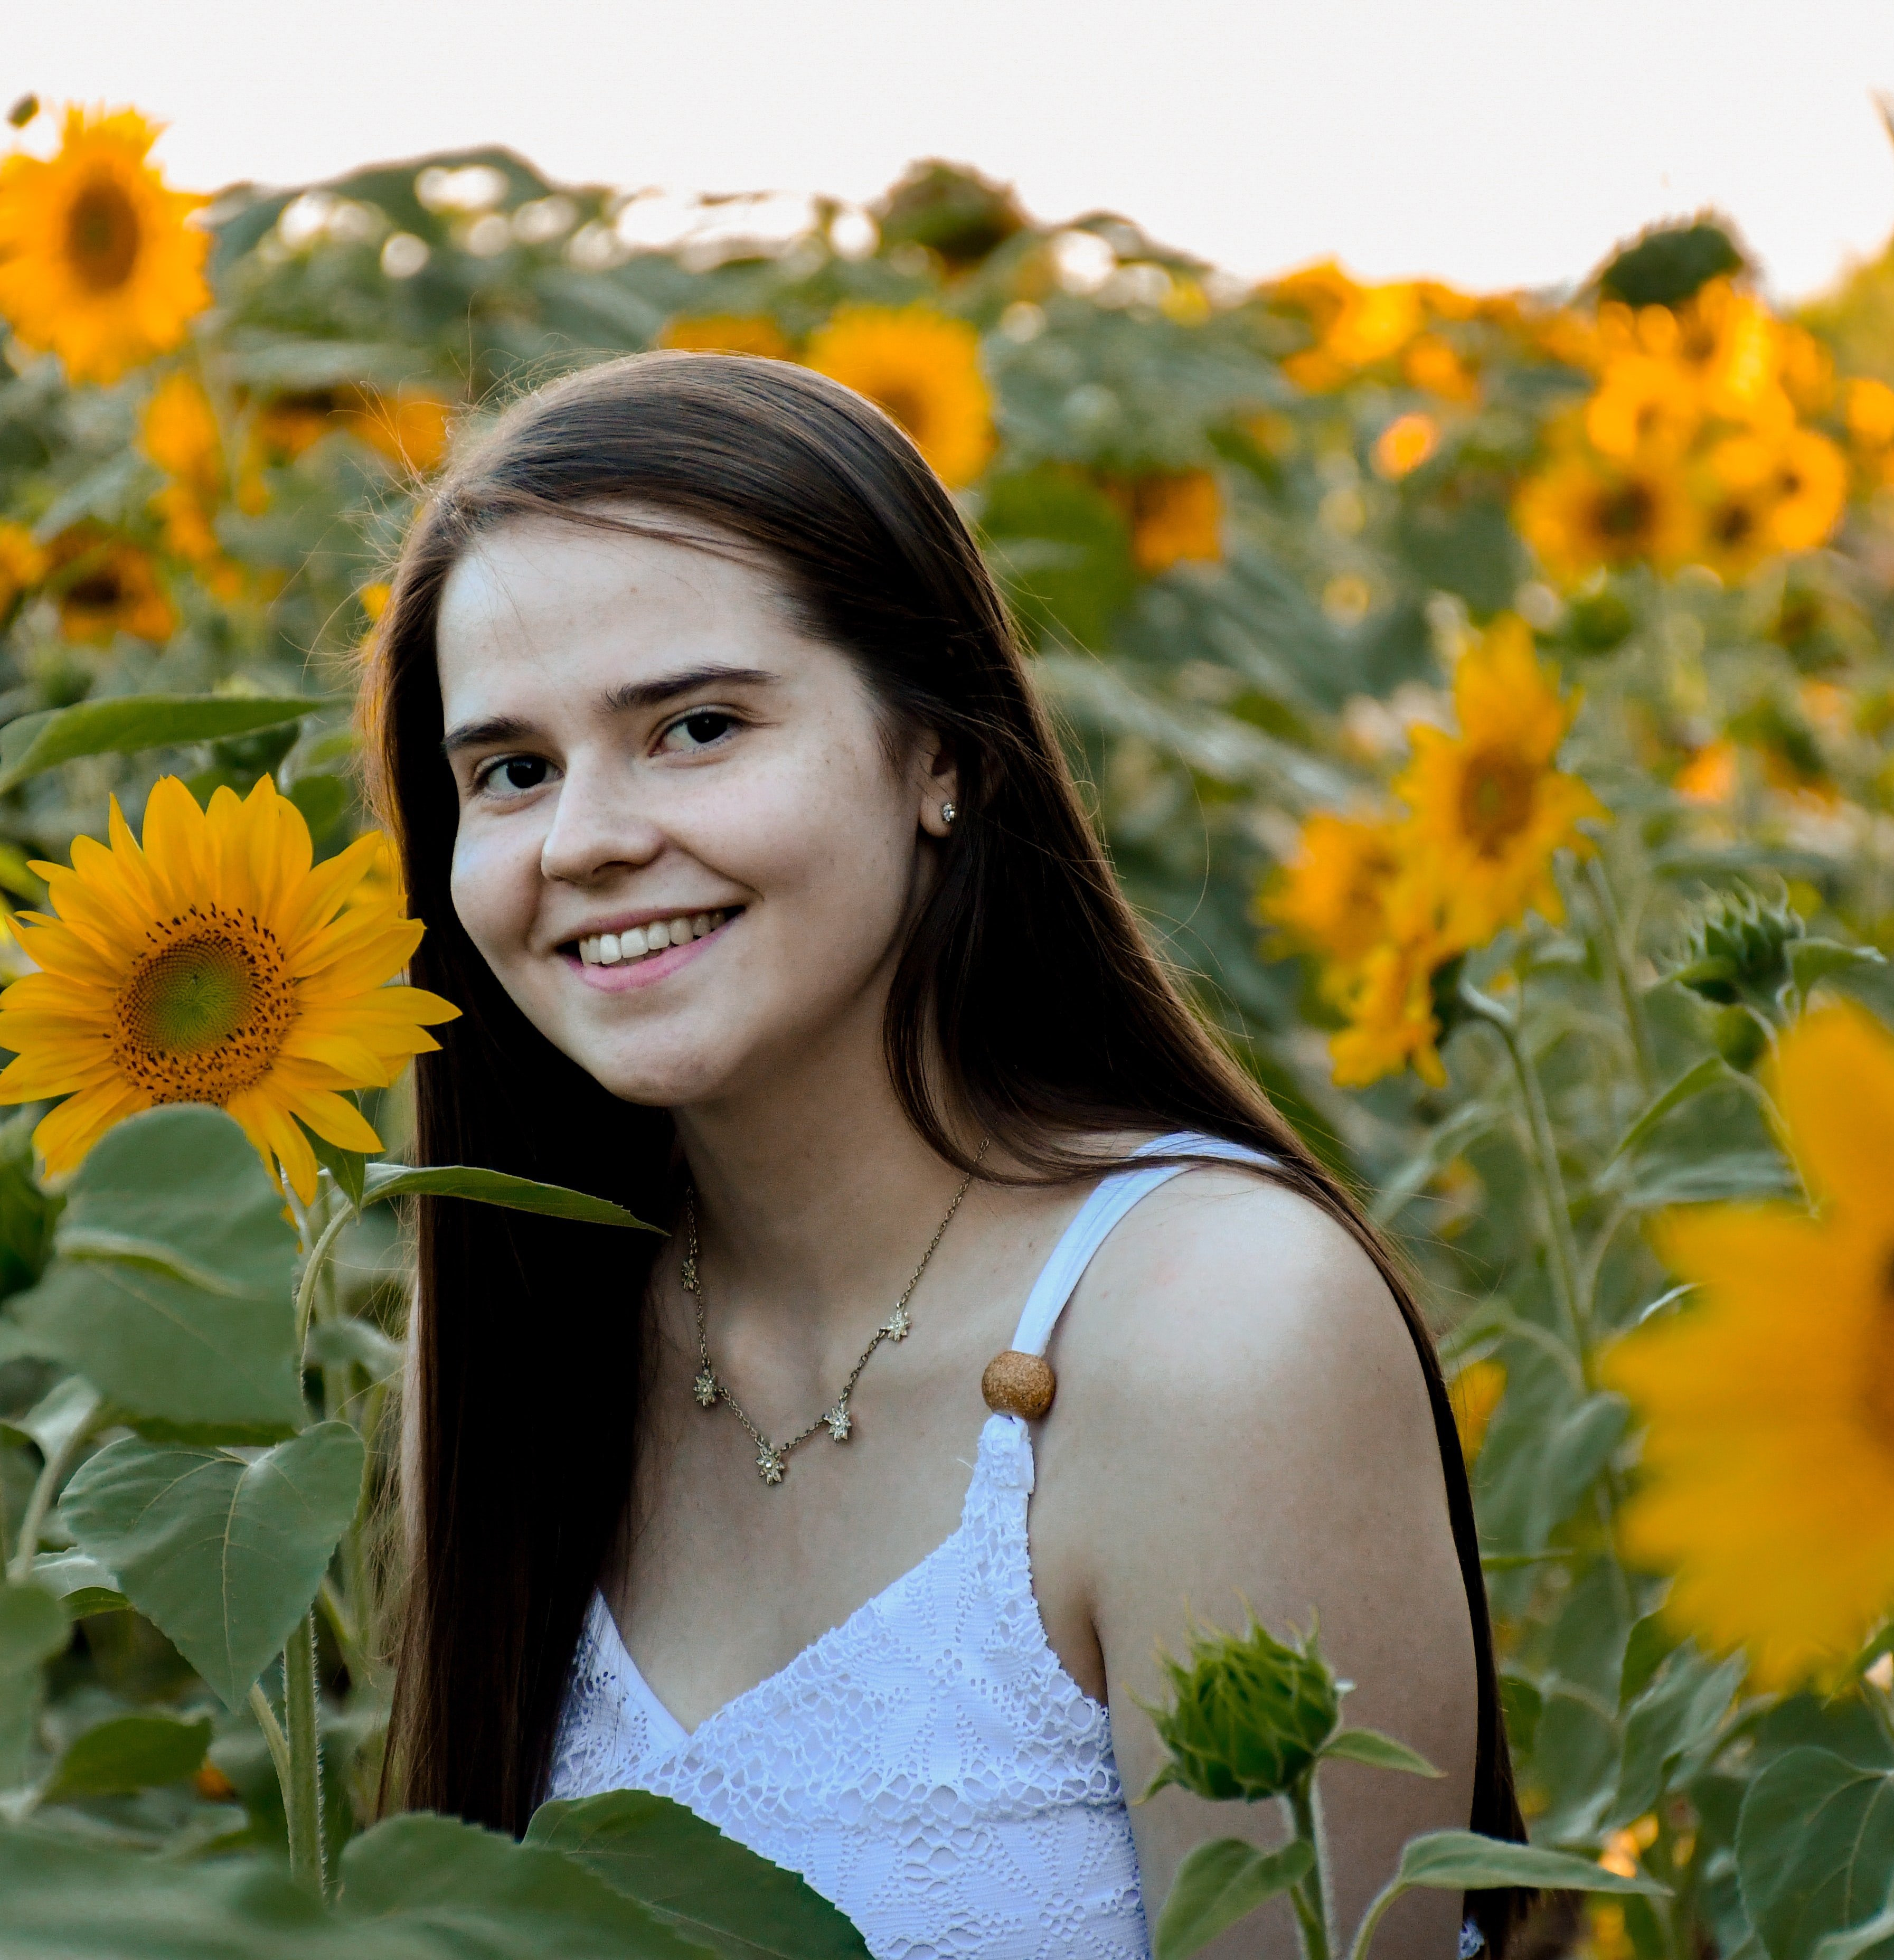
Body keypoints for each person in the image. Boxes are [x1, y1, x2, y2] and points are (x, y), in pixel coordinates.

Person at [365, 350, 1520, 1959]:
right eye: (512, 770)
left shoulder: (1215, 1337)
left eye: (695, 727)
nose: (586, 842)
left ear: (943, 755)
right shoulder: (511, 1323)